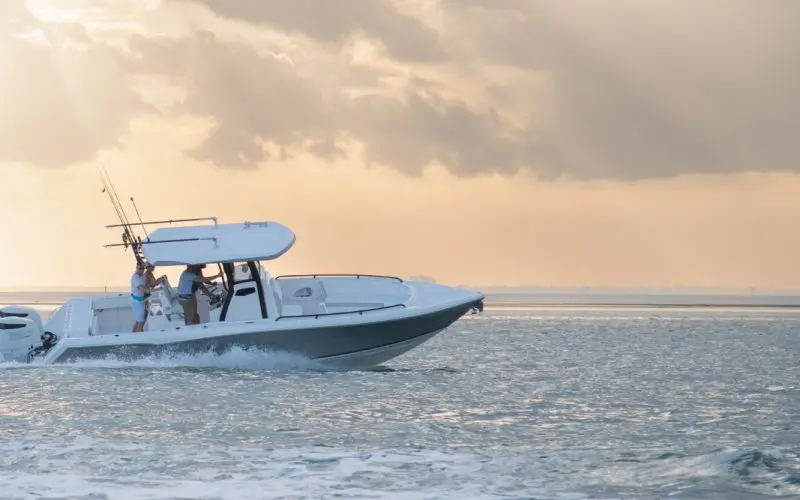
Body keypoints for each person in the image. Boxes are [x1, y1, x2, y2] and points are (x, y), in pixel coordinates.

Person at [130, 261, 148, 332]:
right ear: (136, 268)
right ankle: (138, 336)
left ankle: (133, 335)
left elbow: (146, 285)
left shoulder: (143, 276)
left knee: (138, 321)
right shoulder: (135, 278)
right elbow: (143, 289)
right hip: (136, 302)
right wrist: (156, 289)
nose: (141, 270)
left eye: (143, 268)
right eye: (140, 268)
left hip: (142, 301)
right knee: (140, 322)